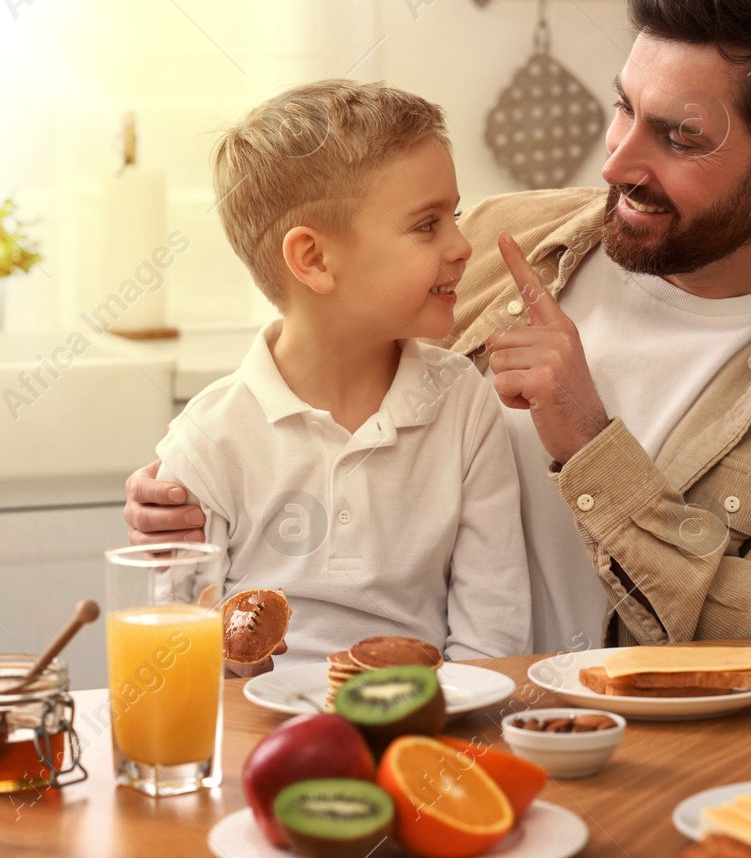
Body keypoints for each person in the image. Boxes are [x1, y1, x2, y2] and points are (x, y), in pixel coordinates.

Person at [128, 0, 751, 650]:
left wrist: (591, 442)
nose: (617, 162)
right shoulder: (489, 240)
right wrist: (200, 497)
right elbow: (318, 377)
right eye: (624, 109)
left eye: (680, 136)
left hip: (657, 771)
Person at [154, 79, 530, 675]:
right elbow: (177, 657)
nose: (462, 245)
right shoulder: (208, 439)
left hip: (422, 722)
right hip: (260, 740)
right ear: (314, 260)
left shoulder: (463, 404)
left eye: (453, 216)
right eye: (427, 225)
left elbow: (495, 631)